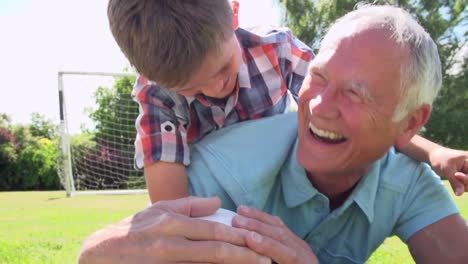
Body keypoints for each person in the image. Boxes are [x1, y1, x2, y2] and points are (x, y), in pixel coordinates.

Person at [80, 5, 468, 263]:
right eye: (319, 78)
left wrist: (434, 153)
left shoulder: (275, 48)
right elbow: (174, 219)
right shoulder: (199, 157)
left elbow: (389, 131)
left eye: (354, 93)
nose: (216, 90)